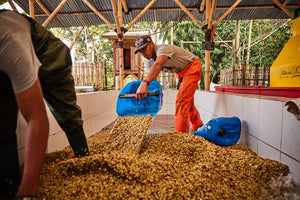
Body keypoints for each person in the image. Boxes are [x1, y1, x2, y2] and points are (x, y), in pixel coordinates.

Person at [0, 10, 89, 199]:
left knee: (66, 112)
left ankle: (85, 161)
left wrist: (29, 191)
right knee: (2, 124)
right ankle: (9, 186)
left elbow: (36, 118)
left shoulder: (7, 38)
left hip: (49, 58)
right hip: (8, 65)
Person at [135, 35, 203, 133]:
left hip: (192, 66)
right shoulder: (149, 63)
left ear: (152, 44)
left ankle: (181, 136)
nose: (143, 53)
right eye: (140, 51)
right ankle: (198, 124)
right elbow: (153, 81)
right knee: (188, 102)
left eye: (144, 48)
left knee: (181, 101)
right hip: (180, 73)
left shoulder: (162, 49)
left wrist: (144, 83)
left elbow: (158, 64)